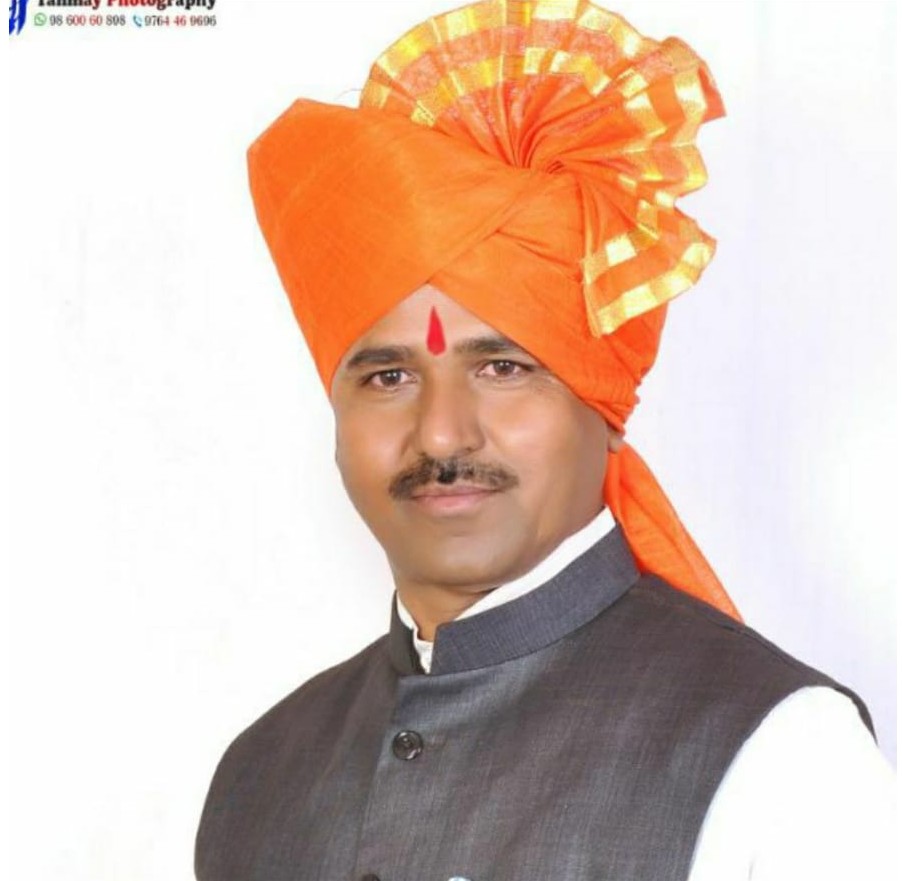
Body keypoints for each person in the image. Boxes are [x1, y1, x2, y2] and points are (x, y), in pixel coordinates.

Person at [195, 2, 895, 878]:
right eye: (388, 377)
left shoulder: (781, 761)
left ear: (605, 406)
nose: (441, 431)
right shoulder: (261, 776)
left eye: (503, 367)